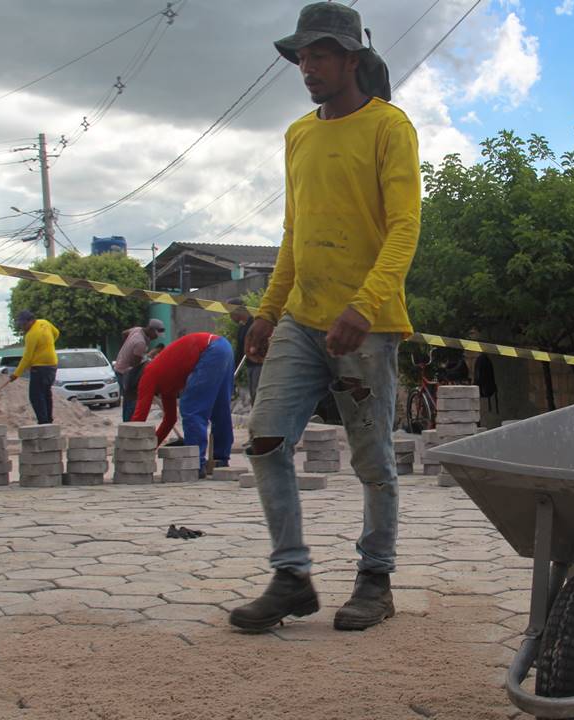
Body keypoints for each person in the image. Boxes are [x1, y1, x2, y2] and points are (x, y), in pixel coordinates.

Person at [228, 2, 420, 633]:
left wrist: (364, 306)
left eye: (319, 55)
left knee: (373, 460)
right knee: (264, 438)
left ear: (352, 60)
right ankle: (291, 576)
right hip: (302, 321)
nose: (307, 66)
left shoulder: (390, 127)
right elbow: (293, 232)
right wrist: (267, 311)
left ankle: (375, 580)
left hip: (367, 325)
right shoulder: (298, 134)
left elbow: (404, 229)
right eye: (302, 56)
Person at [130, 332, 234, 474]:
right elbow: (170, 420)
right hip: (224, 346)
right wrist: (151, 447)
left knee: (191, 408)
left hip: (210, 349)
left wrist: (131, 449)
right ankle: (220, 460)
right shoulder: (166, 384)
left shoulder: (148, 375)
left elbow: (139, 419)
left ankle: (196, 463)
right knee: (219, 408)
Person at [8, 311, 60, 425]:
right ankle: (48, 420)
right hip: (52, 365)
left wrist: (16, 374)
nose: (22, 326)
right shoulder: (45, 323)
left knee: (36, 395)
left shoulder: (31, 335)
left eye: (24, 324)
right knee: (46, 393)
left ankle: (43, 422)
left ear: (31, 321)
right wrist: (47, 345)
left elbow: (27, 357)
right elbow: (56, 333)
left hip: (40, 367)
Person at [114, 318, 165, 421]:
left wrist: (126, 348)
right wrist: (148, 359)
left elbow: (124, 333)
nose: (156, 338)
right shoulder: (140, 343)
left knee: (128, 400)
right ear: (151, 330)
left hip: (120, 367)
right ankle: (129, 425)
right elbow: (135, 364)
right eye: (156, 335)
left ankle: (127, 424)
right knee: (132, 400)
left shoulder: (137, 329)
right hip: (126, 372)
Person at [228, 298, 263, 405]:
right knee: (253, 393)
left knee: (257, 393)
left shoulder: (254, 324)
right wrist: (232, 370)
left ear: (238, 311)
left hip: (259, 364)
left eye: (231, 313)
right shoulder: (242, 327)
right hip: (250, 365)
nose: (230, 316)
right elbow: (239, 351)